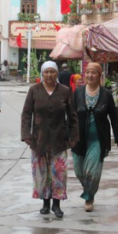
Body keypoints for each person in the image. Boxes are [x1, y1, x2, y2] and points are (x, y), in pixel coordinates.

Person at [21, 61, 79, 218]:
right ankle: (45, 203)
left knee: (58, 172)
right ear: (42, 73)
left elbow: (73, 115)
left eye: (52, 72)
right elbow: (26, 114)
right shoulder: (34, 90)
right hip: (38, 139)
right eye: (46, 72)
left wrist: (74, 136)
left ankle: (57, 204)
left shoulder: (65, 91)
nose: (49, 75)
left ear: (57, 73)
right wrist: (26, 134)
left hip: (59, 138)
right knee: (42, 173)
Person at [72, 62, 118, 212]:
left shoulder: (106, 94)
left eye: (93, 72)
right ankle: (89, 188)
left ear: (99, 75)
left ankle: (89, 197)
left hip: (98, 139)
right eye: (88, 72)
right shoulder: (78, 93)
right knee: (78, 170)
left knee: (92, 171)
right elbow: (71, 115)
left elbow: (114, 117)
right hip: (79, 138)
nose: (90, 75)